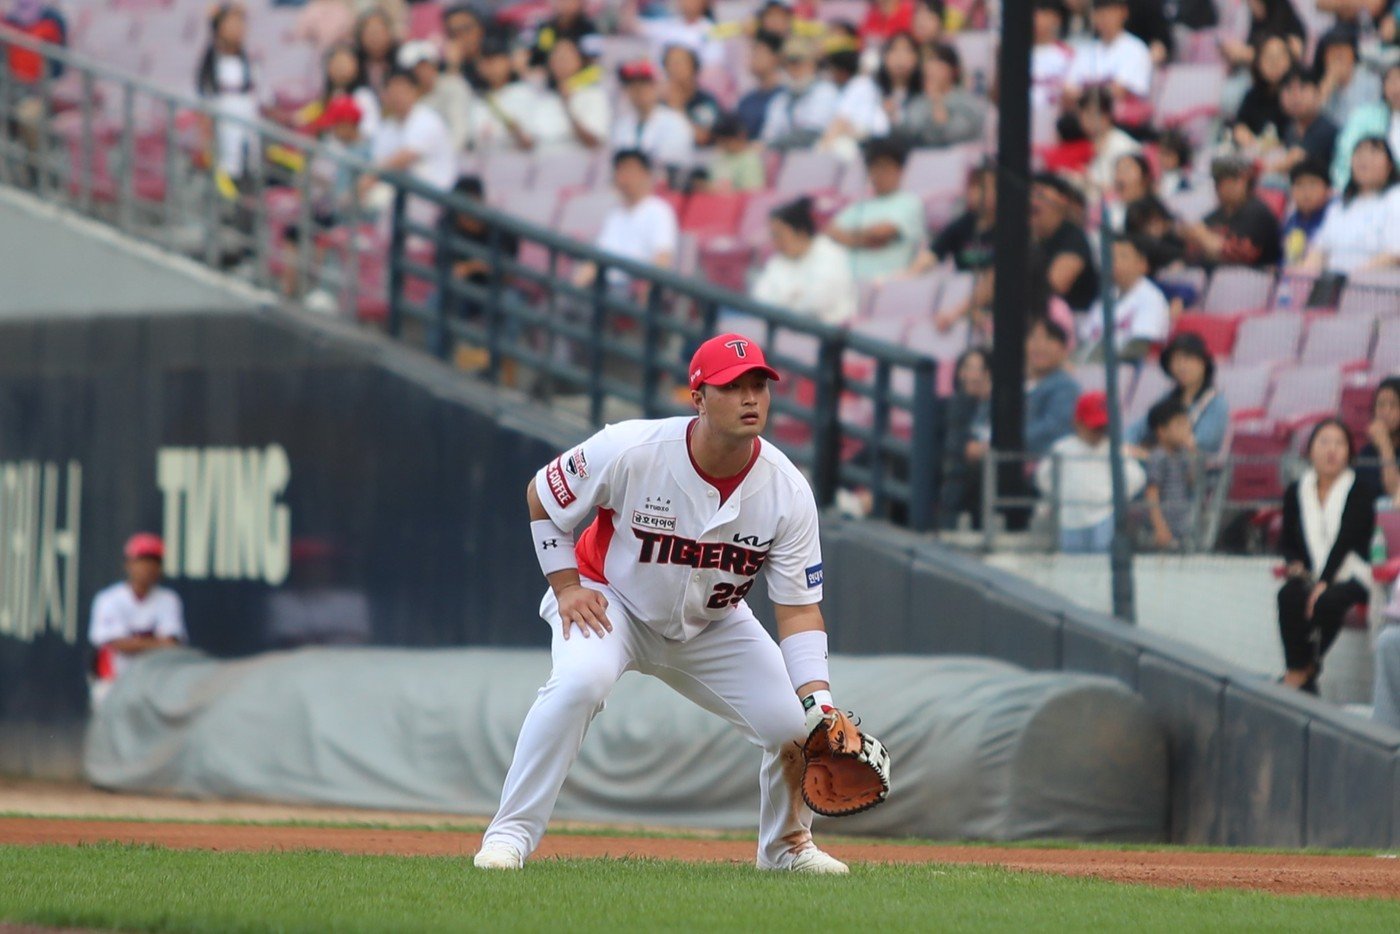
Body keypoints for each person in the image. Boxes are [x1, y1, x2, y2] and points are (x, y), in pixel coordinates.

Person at [473, 333, 855, 875]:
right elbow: (542, 496)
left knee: (797, 726)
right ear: (698, 398)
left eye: (759, 385)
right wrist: (566, 587)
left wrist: (820, 701)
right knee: (580, 683)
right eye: (732, 387)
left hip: (713, 623)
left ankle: (787, 848)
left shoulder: (787, 490)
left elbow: (798, 609)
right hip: (610, 601)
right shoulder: (632, 448)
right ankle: (508, 837)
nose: (750, 398)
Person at [1277, 419, 1376, 694]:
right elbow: (1287, 542)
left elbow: (1347, 540)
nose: (1331, 450)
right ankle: (1300, 671)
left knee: (1327, 601)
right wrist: (1294, 564)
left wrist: (1323, 582)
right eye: (1324, 442)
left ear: (1349, 452)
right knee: (1289, 595)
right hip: (1310, 572)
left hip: (1354, 572)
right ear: (1310, 449)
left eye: (1339, 443)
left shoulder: (1360, 491)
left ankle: (1302, 672)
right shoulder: (1296, 490)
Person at [1036, 390, 1146, 553]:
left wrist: (1112, 498)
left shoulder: (1115, 449)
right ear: (1077, 423)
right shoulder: (1062, 449)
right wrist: (1062, 497)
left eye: (1103, 427)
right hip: (1069, 518)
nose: (1099, 432)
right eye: (1094, 427)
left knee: (1104, 561)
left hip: (1104, 517)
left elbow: (1136, 478)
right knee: (1070, 562)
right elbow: (1044, 477)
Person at [88, 534, 187, 705]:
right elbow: (118, 645)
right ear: (128, 564)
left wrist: (134, 643)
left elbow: (172, 644)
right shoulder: (109, 599)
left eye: (154, 561)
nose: (148, 567)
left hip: (155, 682)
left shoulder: (169, 600)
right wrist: (157, 643)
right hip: (113, 682)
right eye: (142, 561)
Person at [573, 149, 679, 291]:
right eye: (620, 171)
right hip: (603, 285)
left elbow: (662, 259)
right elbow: (598, 257)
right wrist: (575, 286)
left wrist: (646, 295)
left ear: (646, 174)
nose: (624, 177)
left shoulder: (659, 211)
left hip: (631, 288)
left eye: (630, 171)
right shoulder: (615, 213)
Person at [825, 139, 927, 283]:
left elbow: (882, 233)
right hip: (848, 283)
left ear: (899, 170)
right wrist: (867, 240)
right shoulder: (859, 205)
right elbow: (830, 231)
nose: (878, 174)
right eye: (873, 168)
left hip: (887, 283)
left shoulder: (910, 202)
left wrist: (849, 238)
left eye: (884, 167)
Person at [1297, 137, 1400, 276]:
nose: (1364, 159)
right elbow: (1319, 250)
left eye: (1373, 153)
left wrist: (1351, 279)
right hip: (1334, 283)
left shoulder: (1395, 198)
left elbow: (1394, 254)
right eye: (1359, 153)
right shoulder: (1340, 205)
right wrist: (1303, 276)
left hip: (1376, 284)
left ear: (1389, 166)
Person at [751, 197, 858, 325]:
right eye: (773, 236)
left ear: (801, 232)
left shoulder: (832, 254)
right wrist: (793, 297)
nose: (775, 242)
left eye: (779, 235)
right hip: (784, 327)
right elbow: (760, 297)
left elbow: (818, 302)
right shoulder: (778, 261)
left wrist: (785, 300)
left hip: (828, 330)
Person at [360, 67, 455, 201]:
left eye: (403, 91)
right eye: (393, 92)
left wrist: (372, 175)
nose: (398, 97)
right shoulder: (386, 127)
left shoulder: (427, 119)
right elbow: (378, 160)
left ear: (415, 91)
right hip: (401, 199)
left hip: (435, 199)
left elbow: (405, 156)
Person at [1127, 332, 1229, 455]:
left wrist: (1148, 454)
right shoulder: (1168, 397)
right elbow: (1138, 429)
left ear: (1203, 362)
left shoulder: (1216, 402)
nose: (1181, 366)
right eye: (1176, 360)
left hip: (1193, 465)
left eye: (1188, 359)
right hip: (1158, 460)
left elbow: (1203, 444)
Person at [1180, 154, 1282, 269]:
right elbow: (1192, 256)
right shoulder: (1214, 216)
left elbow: (1241, 257)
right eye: (1219, 181)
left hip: (1255, 276)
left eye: (1233, 180)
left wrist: (1202, 236)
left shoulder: (1258, 213)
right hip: (1214, 277)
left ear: (1245, 182)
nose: (1223, 187)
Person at [1080, 235, 1170, 363]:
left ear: (1142, 264)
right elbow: (1085, 340)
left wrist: (1092, 363)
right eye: (1110, 256)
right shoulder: (1106, 297)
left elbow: (1139, 347)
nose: (1114, 262)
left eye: (1123, 256)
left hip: (1128, 369)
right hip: (1092, 367)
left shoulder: (1151, 298)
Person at [195, 4, 259, 181]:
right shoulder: (212, 59)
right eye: (231, 23)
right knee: (227, 163)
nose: (237, 28)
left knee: (249, 159)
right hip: (223, 118)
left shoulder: (247, 59)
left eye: (240, 23)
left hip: (246, 117)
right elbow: (204, 94)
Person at [1062, 0, 1154, 114]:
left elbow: (1119, 92)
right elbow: (1068, 90)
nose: (1104, 19)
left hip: (1121, 119)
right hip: (1086, 117)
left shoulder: (1136, 48)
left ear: (1123, 12)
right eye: (1099, 13)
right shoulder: (1086, 51)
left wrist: (1084, 92)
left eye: (1110, 13)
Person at [611, 59, 695, 179]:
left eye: (644, 85)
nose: (638, 91)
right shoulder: (621, 125)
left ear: (656, 87)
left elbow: (670, 165)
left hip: (667, 186)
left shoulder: (675, 122)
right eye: (632, 86)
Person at [938, 346, 993, 530]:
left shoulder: (993, 405)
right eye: (968, 368)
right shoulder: (955, 405)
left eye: (981, 369)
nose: (974, 376)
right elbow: (961, 447)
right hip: (955, 471)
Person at [1029, 173, 1099, 314]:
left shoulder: (1073, 238)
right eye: (1030, 195)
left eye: (1040, 195)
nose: (1033, 202)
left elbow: (1055, 287)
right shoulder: (1031, 240)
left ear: (1062, 200)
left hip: (1074, 318)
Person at [531, 35, 611, 155]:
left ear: (580, 60)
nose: (561, 61)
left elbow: (593, 141)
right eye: (557, 56)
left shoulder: (594, 95)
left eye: (566, 57)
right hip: (544, 161)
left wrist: (567, 105)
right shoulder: (543, 97)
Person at [897, 43, 985, 148]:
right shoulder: (917, 102)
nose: (930, 69)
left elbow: (958, 133)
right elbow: (908, 132)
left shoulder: (968, 102)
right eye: (927, 63)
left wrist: (938, 105)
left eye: (937, 64)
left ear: (953, 70)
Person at [465, 32, 541, 153]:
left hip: (519, 161)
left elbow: (534, 139)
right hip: (487, 161)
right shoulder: (476, 98)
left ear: (508, 62)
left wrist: (516, 131)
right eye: (485, 62)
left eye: (495, 61)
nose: (491, 67)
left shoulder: (524, 93)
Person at [760, 35, 839, 150]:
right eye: (786, 64)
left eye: (797, 63)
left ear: (812, 65)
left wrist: (771, 145)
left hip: (817, 157)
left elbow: (811, 135)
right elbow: (768, 137)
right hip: (785, 158)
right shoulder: (780, 100)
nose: (791, 69)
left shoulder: (825, 92)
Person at [1332, 63, 1400, 190]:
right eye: (1391, 80)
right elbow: (1345, 154)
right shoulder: (1363, 116)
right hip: (1364, 190)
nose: (1396, 87)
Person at [1143, 398, 1198, 550]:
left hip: (1182, 526)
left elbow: (1193, 481)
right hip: (1164, 528)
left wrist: (1193, 454)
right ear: (1162, 431)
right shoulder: (1158, 457)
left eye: (1187, 423)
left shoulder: (1183, 455)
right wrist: (1159, 527)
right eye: (1180, 424)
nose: (1186, 428)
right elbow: (1151, 493)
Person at [397, 40, 471, 153]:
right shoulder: (404, 99)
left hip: (457, 156)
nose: (423, 72)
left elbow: (460, 130)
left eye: (427, 65)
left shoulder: (453, 86)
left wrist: (444, 157)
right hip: (417, 158)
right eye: (417, 68)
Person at [1025, 315, 1081, 458]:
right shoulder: (1017, 384)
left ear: (1063, 349)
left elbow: (1055, 430)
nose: (1040, 346)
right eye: (1033, 339)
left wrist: (1007, 439)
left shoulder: (1065, 387)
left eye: (1049, 339)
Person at [1268, 67, 1338, 177]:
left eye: (1302, 88)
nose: (1295, 96)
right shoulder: (1290, 129)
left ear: (1318, 93)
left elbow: (1295, 159)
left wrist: (1263, 168)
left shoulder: (1326, 128)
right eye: (1288, 89)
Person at [820, 45, 889, 155]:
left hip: (869, 141)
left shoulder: (860, 83)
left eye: (832, 70)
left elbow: (841, 120)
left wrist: (821, 149)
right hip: (871, 139)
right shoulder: (867, 85)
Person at [1076, 86, 1142, 199]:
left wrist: (1090, 181)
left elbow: (1131, 189)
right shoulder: (1091, 144)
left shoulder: (1123, 145)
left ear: (1107, 115)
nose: (1085, 120)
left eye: (1091, 114)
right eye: (1082, 115)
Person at [1231, 31, 1295, 149]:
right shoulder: (1252, 95)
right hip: (1255, 153)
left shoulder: (1296, 94)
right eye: (1268, 57)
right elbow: (1240, 124)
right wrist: (1241, 132)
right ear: (1258, 62)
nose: (1274, 62)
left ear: (1290, 60)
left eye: (1279, 56)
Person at [1315, 25, 1380, 130]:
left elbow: (1372, 118)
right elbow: (1314, 121)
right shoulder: (1322, 82)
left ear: (1353, 54)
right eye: (1332, 53)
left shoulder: (1371, 80)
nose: (1337, 59)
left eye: (1342, 53)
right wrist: (1326, 88)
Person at [632, 0, 726, 70]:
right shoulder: (667, 24)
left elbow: (711, 66)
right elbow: (633, 26)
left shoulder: (711, 31)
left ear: (704, 3)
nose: (687, 2)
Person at [663, 44, 722, 146]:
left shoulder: (705, 101)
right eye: (671, 64)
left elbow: (702, 138)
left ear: (694, 67)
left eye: (680, 63)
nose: (675, 69)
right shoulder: (660, 103)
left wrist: (678, 109)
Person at [1280, 159, 1333, 266]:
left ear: (1328, 190)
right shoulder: (1289, 221)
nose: (1306, 192)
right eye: (1299, 185)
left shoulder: (1334, 219)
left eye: (1312, 184)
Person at [736, 30, 785, 140]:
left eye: (758, 53)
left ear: (775, 58)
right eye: (752, 53)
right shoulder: (746, 100)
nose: (753, 59)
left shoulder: (786, 97)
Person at [524, 0, 597, 71]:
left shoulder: (588, 28)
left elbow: (593, 59)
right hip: (550, 74)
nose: (564, 4)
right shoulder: (547, 28)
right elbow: (538, 54)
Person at [1359, 377, 1400, 500]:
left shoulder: (1383, 444)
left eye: (1394, 405)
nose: (1386, 412)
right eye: (1381, 405)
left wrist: (1384, 444)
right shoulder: (1367, 453)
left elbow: (1395, 492)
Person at [875, 32, 924, 132]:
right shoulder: (870, 89)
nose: (900, 57)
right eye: (894, 50)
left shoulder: (923, 95)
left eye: (907, 50)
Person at [1032, 0, 1074, 113]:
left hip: (1054, 117)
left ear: (1057, 19)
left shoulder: (1068, 55)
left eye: (1045, 14)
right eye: (1035, 14)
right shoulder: (1018, 53)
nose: (1039, 20)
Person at [708, 113, 766, 191]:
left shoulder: (750, 160)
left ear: (740, 137)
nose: (722, 146)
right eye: (719, 142)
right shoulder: (721, 156)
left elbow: (752, 191)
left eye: (725, 142)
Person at [353, 6, 400, 93]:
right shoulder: (355, 62)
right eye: (370, 33)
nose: (375, 38)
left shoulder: (401, 58)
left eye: (378, 32)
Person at [442, 3, 486, 90]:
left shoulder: (496, 54)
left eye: (466, 29)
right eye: (454, 32)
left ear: (480, 29)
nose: (462, 36)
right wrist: (453, 67)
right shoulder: (445, 66)